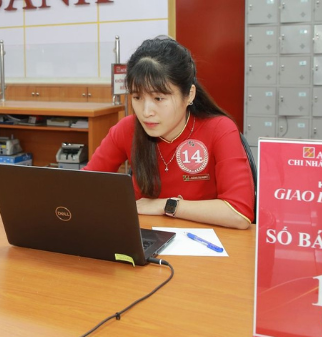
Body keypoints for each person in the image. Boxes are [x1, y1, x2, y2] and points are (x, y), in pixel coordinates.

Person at [84, 36, 254, 229]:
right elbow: (84, 186)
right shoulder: (127, 129)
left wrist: (165, 205)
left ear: (189, 95)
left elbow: (238, 213)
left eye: (158, 98)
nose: (146, 111)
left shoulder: (219, 129)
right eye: (137, 97)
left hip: (203, 240)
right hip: (143, 237)